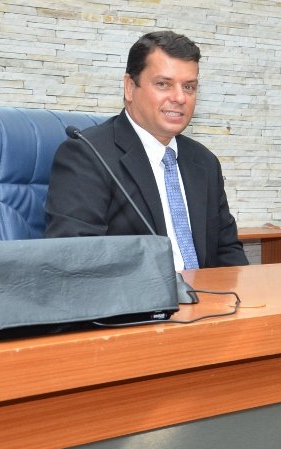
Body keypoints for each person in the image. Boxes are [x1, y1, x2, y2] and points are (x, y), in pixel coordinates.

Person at [46, 31, 247, 270]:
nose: (180, 98)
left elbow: (227, 251)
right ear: (130, 87)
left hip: (208, 292)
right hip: (137, 294)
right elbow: (75, 258)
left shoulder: (204, 162)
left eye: (189, 87)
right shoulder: (87, 155)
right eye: (163, 84)